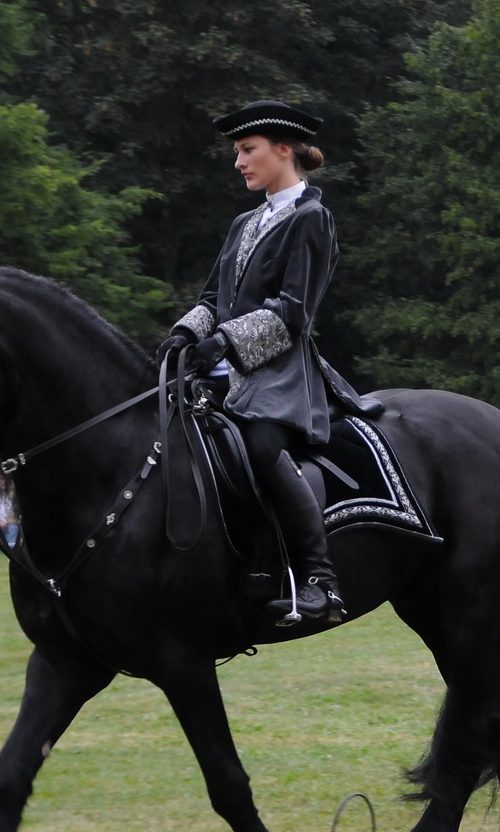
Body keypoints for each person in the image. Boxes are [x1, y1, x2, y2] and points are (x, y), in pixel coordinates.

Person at [155, 100, 374, 624]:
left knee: (260, 447)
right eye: (237, 152)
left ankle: (321, 581)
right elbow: (213, 298)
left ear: (284, 150)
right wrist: (184, 334)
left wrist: (226, 343)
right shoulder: (243, 224)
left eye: (247, 151)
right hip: (225, 371)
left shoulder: (312, 218)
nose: (239, 162)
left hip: (280, 375)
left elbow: (293, 311)